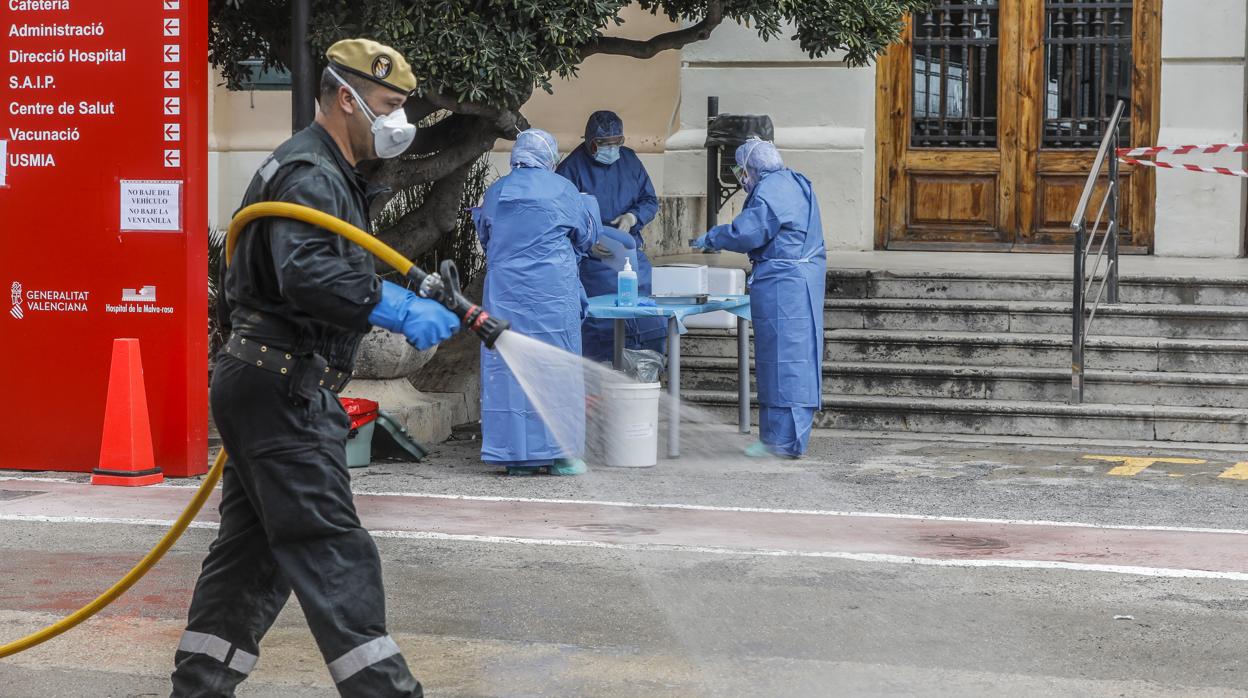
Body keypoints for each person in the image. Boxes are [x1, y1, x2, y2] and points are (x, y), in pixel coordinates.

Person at [172, 39, 459, 697]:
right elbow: (307, 273)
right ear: (344, 97)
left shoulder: (326, 171)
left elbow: (313, 265)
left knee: (253, 559)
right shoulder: (311, 173)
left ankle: (198, 686)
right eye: (387, 106)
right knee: (333, 551)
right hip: (282, 388)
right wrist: (391, 304)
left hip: (268, 383)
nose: (397, 123)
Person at [693, 138, 827, 459]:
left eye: (741, 169)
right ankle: (778, 438)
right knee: (790, 357)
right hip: (797, 280)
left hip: (784, 285)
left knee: (783, 360)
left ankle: (781, 441)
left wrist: (712, 236)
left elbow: (747, 233)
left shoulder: (769, 192)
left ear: (750, 168)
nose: (741, 176)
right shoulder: (794, 181)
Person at [475, 129, 596, 476]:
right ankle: (562, 454)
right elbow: (585, 235)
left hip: (505, 296)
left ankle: (516, 457)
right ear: (549, 157)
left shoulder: (497, 192)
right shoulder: (563, 190)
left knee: (510, 370)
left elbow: (486, 235)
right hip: (552, 296)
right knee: (557, 368)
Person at [556, 110, 665, 362]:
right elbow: (562, 218)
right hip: (593, 266)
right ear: (590, 142)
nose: (612, 149)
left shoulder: (630, 161)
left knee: (648, 323)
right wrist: (587, 243)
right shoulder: (571, 169)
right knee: (601, 329)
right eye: (605, 144)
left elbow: (649, 199)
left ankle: (645, 374)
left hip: (632, 258)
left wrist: (632, 217)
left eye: (617, 142)